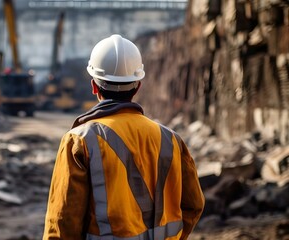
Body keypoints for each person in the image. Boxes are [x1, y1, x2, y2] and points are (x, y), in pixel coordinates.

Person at [43, 34, 205, 240]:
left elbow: (63, 222)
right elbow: (194, 205)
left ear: (94, 87)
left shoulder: (79, 140)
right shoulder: (171, 139)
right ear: (137, 86)